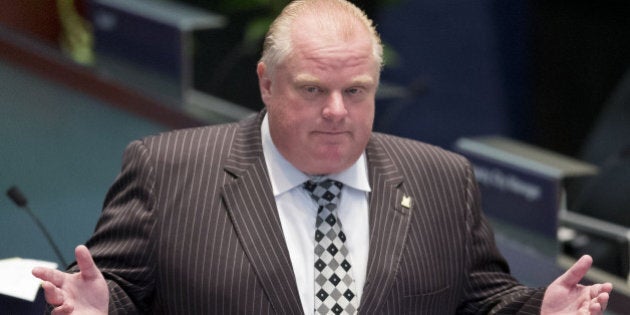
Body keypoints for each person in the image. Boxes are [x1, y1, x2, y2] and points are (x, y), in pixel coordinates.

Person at [32, 0, 613, 314]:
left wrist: (539, 310)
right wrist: (103, 308)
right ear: (266, 83)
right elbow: (123, 291)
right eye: (312, 89)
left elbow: (483, 300)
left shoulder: (441, 180)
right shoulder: (166, 171)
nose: (337, 110)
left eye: (356, 91)